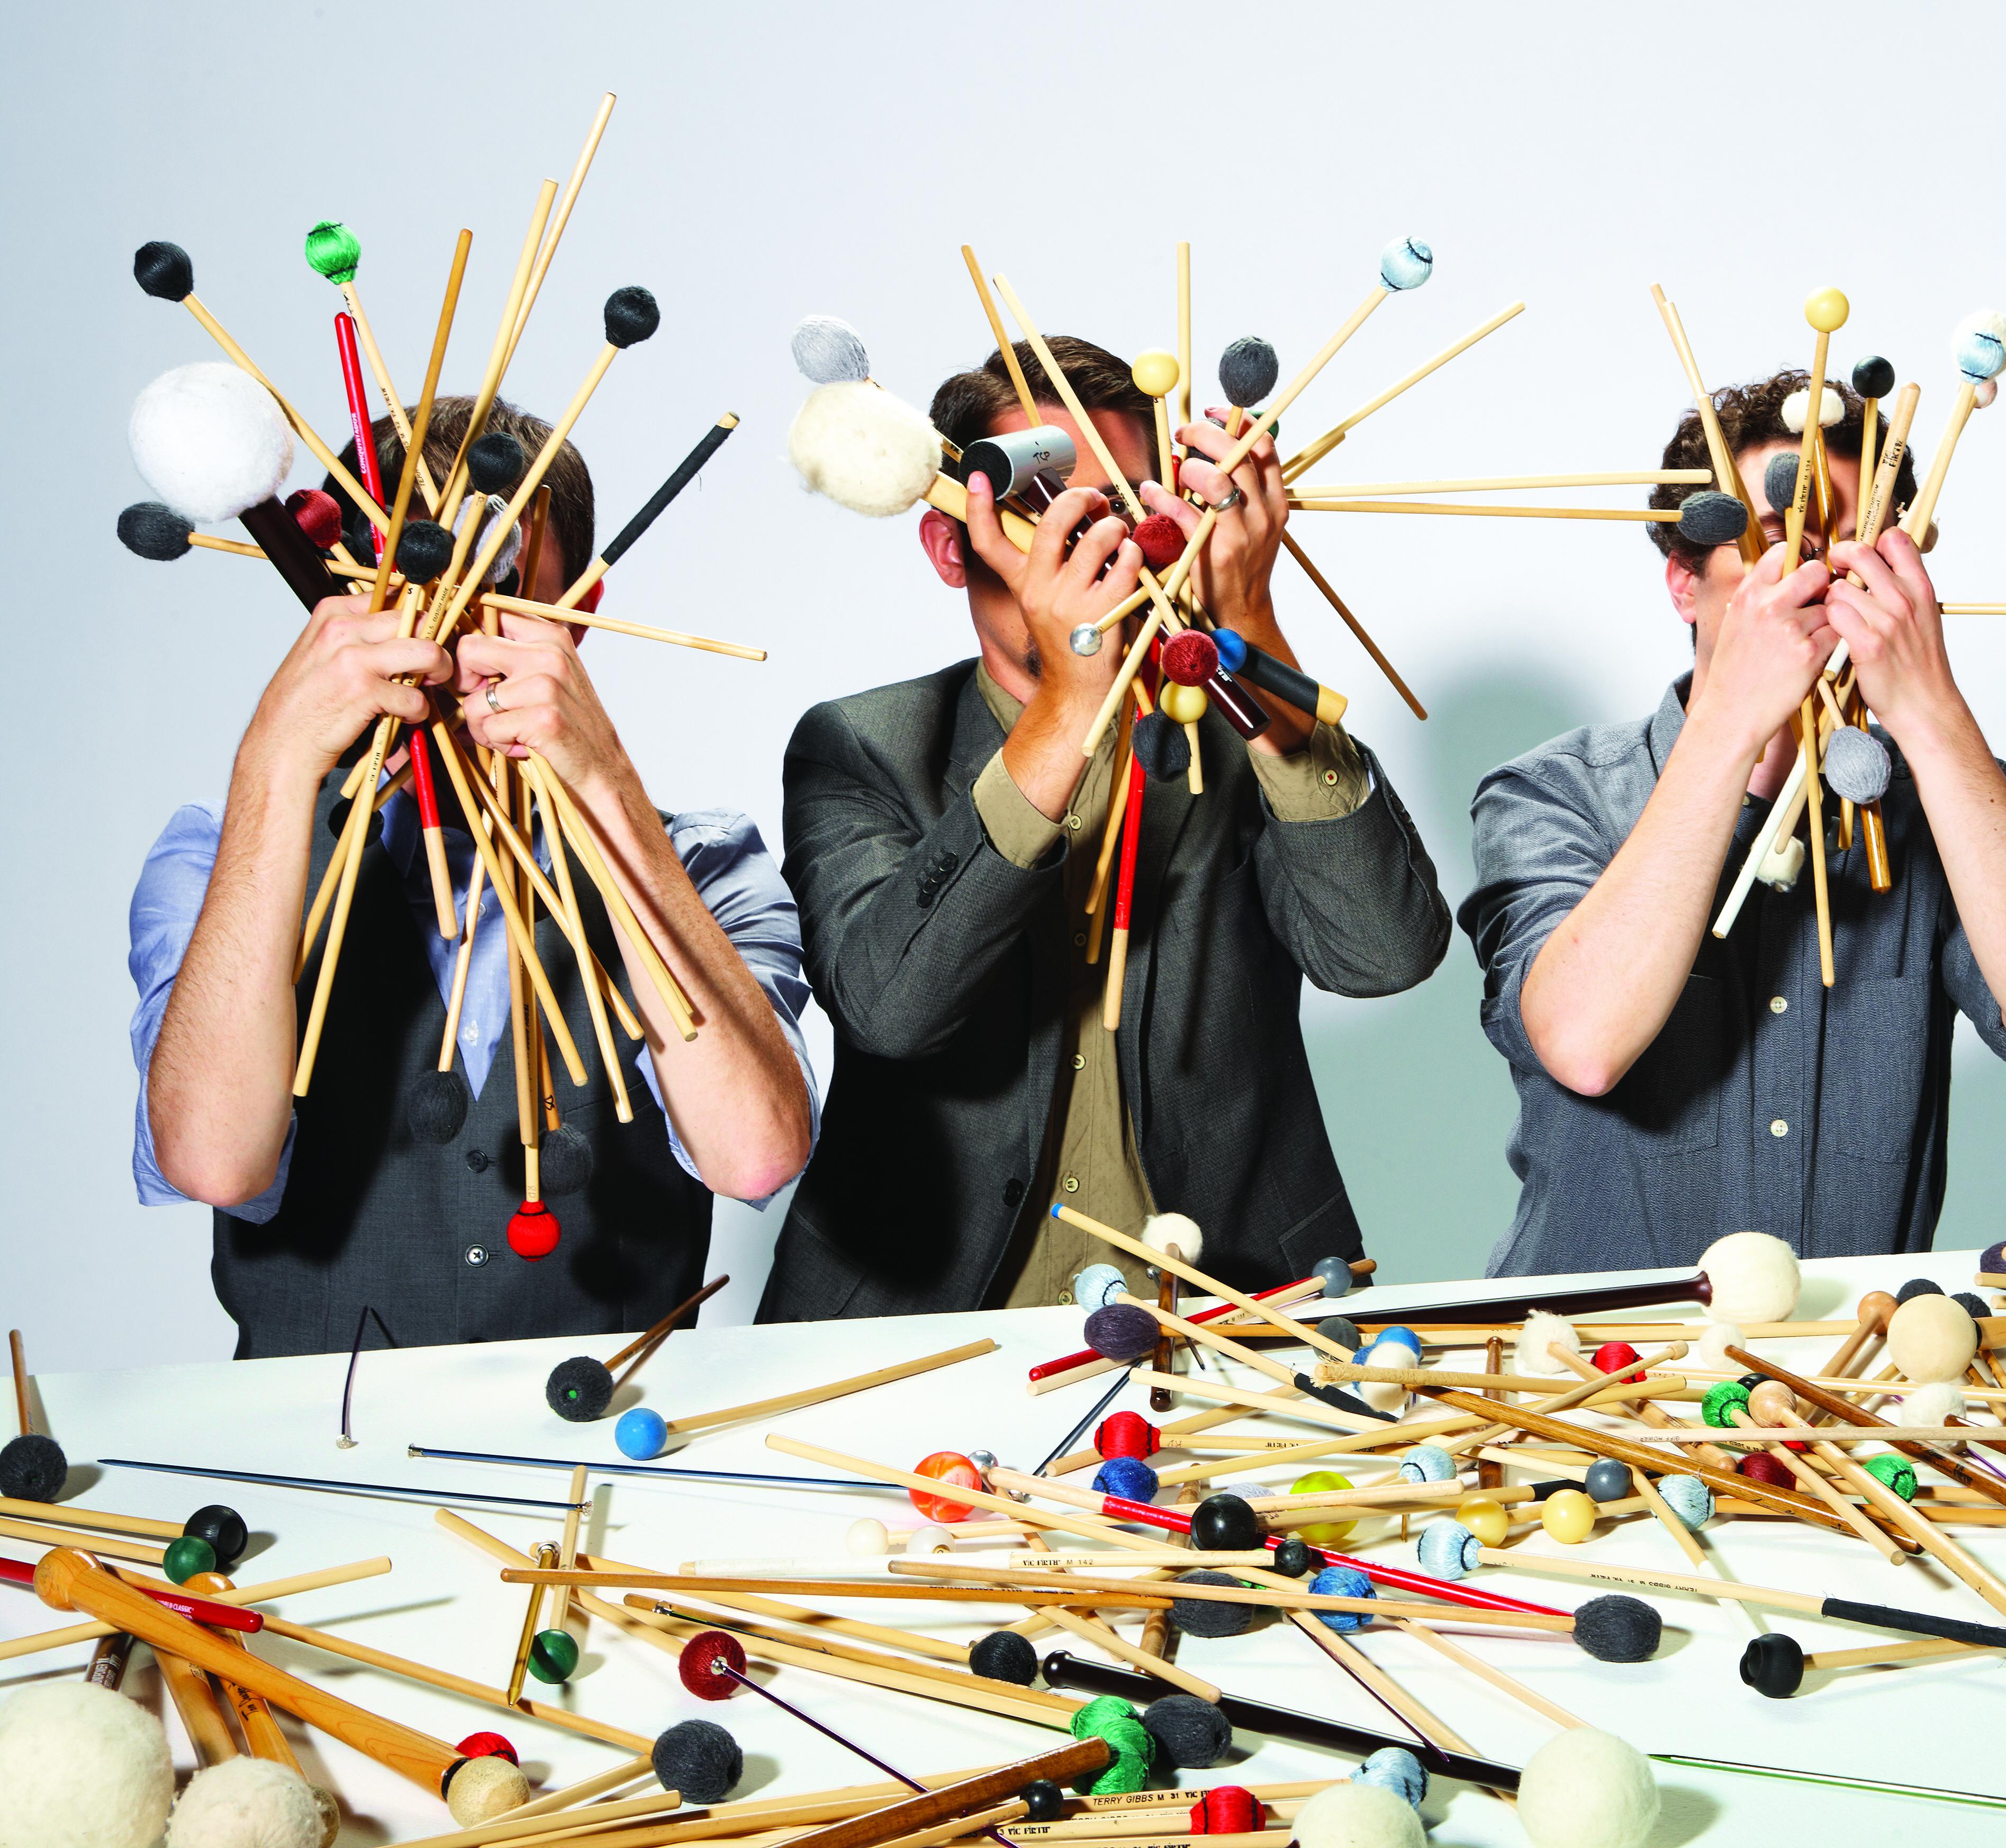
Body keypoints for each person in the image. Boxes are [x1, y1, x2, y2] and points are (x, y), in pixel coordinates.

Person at [757, 337, 1451, 1320]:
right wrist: (1071, 707)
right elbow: (890, 1009)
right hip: (921, 1320)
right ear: (953, 543)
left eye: (1126, 505)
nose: (1101, 545)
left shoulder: (1238, 729)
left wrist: (1248, 616)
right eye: (1047, 505)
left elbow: (1382, 956)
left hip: (1227, 1314)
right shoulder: (862, 744)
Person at [131, 397, 819, 1357]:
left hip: (615, 1450)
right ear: (331, 603)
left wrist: (606, 786)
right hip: (310, 1454)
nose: (444, 653)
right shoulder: (220, 854)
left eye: (490, 594)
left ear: (575, 617)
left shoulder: (702, 863)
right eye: (403, 591)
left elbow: (754, 1158)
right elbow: (214, 1163)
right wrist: (273, 764)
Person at [1460, 372, 2006, 1275]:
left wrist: (1933, 716)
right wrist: (1733, 723)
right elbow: (1582, 1046)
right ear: (1684, 584)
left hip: (1846, 1372)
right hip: (1597, 1362)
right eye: (1774, 541)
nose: (1815, 571)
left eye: (1850, 545)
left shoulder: (1943, 796)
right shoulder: (1555, 793)